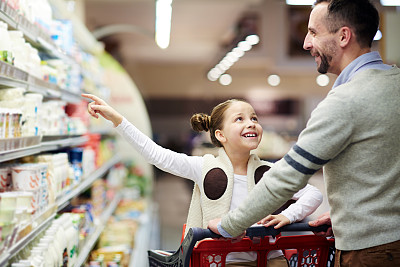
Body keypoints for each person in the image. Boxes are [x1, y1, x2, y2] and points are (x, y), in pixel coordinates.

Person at [207, 0, 400, 266]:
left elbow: (287, 177)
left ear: (344, 36)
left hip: (370, 252)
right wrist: (353, 215)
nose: (306, 43)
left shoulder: (344, 101)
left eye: (314, 32)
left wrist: (231, 225)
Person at [82, 93, 323, 267]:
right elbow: (156, 155)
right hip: (225, 259)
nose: (251, 123)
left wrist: (288, 215)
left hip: (271, 255)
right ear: (220, 135)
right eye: (239, 119)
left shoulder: (270, 172)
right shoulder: (204, 167)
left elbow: (314, 194)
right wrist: (117, 120)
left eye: (254, 118)